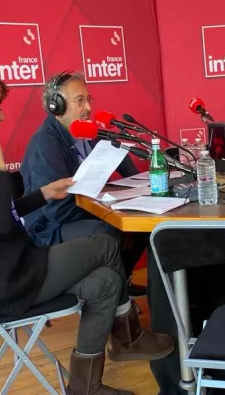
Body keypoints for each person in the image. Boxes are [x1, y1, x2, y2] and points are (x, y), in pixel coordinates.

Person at [0, 67, 174, 395]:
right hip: (2, 283)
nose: (2, 115)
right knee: (105, 245)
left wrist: (43, 194)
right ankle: (127, 338)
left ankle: (85, 387)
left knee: (106, 283)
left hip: (13, 268)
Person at [20, 71, 147, 296]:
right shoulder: (45, 145)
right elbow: (57, 210)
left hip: (81, 212)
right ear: (56, 106)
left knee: (142, 226)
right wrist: (108, 212)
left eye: (89, 99)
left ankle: (122, 284)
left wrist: (142, 191)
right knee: (107, 233)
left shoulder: (88, 131)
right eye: (80, 100)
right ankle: (119, 305)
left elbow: (127, 167)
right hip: (50, 228)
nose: (88, 107)